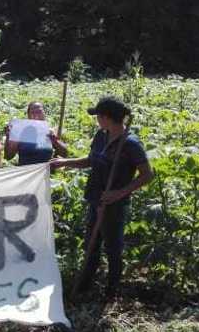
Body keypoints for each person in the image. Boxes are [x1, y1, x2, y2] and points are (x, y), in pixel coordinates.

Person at [50, 96, 153, 299]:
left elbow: (147, 175)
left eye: (98, 116)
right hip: (95, 197)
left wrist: (118, 193)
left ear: (107, 117)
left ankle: (111, 291)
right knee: (91, 243)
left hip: (114, 204)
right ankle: (84, 285)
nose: (96, 119)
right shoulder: (101, 136)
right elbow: (90, 160)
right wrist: (65, 162)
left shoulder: (130, 144)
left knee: (113, 247)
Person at [4, 101, 69, 166]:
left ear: (44, 114)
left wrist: (55, 141)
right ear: (28, 116)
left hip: (45, 171)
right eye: (33, 112)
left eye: (39, 112)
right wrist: (8, 137)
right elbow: (8, 156)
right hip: (25, 171)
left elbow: (65, 154)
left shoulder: (50, 132)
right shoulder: (21, 131)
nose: (36, 115)